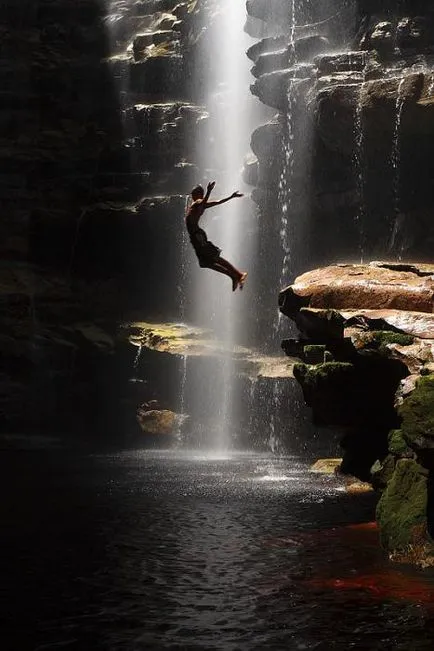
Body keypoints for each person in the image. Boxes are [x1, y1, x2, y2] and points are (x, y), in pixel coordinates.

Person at [185, 181, 248, 291]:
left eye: (194, 193)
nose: (192, 195)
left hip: (198, 236)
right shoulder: (199, 205)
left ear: (198, 194)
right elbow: (218, 202)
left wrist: (209, 191)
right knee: (205, 262)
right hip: (195, 237)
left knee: (214, 257)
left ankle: (238, 274)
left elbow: (203, 202)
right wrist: (231, 197)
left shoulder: (198, 202)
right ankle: (233, 275)